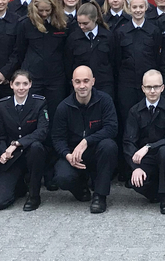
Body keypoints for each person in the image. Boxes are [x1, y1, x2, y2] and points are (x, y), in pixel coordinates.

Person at [51, 66, 119, 214]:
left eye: (86, 81)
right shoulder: (63, 107)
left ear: (93, 81)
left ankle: (100, 196)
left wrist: (86, 141)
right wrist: (67, 155)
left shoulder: (105, 100)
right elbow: (57, 138)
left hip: (96, 152)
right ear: (72, 83)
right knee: (62, 177)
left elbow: (112, 128)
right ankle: (81, 189)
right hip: (73, 155)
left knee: (109, 146)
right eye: (78, 81)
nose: (82, 86)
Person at [124, 70, 165, 214]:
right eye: (149, 87)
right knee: (135, 183)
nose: (153, 91)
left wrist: (149, 147)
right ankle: (155, 192)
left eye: (156, 86)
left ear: (162, 88)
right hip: (146, 159)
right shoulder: (135, 111)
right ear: (142, 88)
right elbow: (128, 142)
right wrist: (135, 167)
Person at [0, 71, 49, 211]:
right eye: (17, 84)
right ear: (11, 85)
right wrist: (3, 152)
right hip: (12, 157)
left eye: (25, 84)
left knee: (36, 147)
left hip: (31, 153)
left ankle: (34, 195)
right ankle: (20, 185)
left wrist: (18, 143)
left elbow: (42, 132)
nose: (21, 88)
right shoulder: (2, 105)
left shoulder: (39, 102)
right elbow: (0, 136)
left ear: (30, 84)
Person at [14, 0, 69, 118]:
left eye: (47, 10)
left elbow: (67, 51)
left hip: (56, 78)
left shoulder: (63, 24)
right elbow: (20, 50)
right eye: (41, 11)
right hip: (33, 77)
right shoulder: (25, 24)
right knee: (32, 114)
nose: (44, 14)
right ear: (35, 8)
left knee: (56, 113)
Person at [113, 0, 162, 128]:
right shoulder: (120, 32)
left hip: (148, 84)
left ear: (146, 7)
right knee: (126, 116)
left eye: (141, 6)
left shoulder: (154, 30)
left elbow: (157, 57)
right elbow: (117, 59)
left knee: (148, 117)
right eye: (134, 7)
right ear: (129, 8)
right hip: (126, 84)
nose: (138, 10)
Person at [67, 2, 117, 100]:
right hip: (81, 87)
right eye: (79, 23)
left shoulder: (107, 37)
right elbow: (68, 63)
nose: (82, 27)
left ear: (95, 19)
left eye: (85, 23)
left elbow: (115, 61)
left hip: (104, 85)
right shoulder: (73, 38)